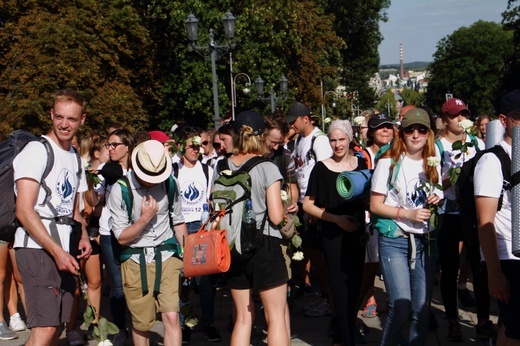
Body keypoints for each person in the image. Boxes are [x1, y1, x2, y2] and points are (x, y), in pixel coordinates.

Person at [13, 89, 92, 345]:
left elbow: (75, 210)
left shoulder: (75, 158)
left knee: (57, 326)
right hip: (37, 248)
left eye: (71, 118)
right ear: (51, 115)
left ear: (82, 120)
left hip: (64, 247)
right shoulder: (36, 151)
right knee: (45, 328)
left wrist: (84, 236)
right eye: (59, 117)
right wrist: (56, 251)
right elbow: (24, 210)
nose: (64, 124)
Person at [370, 108, 443, 345]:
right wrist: (407, 213)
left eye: (421, 129)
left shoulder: (433, 161)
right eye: (410, 129)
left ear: (428, 133)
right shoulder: (388, 161)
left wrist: (437, 199)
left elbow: (438, 193)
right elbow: (375, 205)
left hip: (425, 240)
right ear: (401, 133)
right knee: (401, 306)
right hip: (396, 239)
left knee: (421, 310)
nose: (415, 135)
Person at [108, 139, 188, 346]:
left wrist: (187, 255)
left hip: (168, 256)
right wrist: (144, 218)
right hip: (136, 261)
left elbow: (178, 222)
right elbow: (121, 237)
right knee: (142, 323)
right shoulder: (120, 190)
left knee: (171, 316)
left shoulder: (170, 183)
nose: (152, 181)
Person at [222, 110, 288, 346]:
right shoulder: (266, 167)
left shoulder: (222, 166)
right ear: (260, 136)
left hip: (232, 247)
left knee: (242, 318)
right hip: (264, 245)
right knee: (276, 318)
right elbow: (276, 216)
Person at [303, 119, 368, 346]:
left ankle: (345, 331)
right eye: (333, 140)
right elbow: (308, 205)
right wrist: (336, 219)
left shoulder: (361, 165)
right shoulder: (322, 168)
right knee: (339, 287)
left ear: (350, 139)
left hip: (357, 234)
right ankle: (346, 336)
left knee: (355, 284)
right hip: (333, 235)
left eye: (342, 139)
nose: (338, 144)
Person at [435, 98, 485, 341]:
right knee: (449, 267)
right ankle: (453, 320)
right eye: (456, 115)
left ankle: (484, 321)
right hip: (448, 213)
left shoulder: (477, 143)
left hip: (473, 212)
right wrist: (453, 177)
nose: (461, 119)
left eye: (464, 114)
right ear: (445, 120)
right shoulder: (437, 146)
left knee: (479, 266)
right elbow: (432, 184)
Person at [475, 90, 520, 345]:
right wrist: (494, 273)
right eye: (518, 117)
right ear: (504, 120)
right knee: (515, 330)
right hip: (509, 258)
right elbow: (485, 221)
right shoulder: (492, 161)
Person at [172, 126, 221, 343]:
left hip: (201, 229)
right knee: (182, 281)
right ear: (181, 145)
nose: (196, 149)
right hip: (180, 227)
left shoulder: (207, 170)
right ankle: (185, 324)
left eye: (200, 144)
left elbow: (211, 200)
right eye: (192, 144)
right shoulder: (173, 170)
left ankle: (208, 323)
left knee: (204, 282)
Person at [286, 101, 332, 314]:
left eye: (293, 121)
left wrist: (318, 205)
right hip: (304, 202)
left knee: (319, 254)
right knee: (311, 252)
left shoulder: (319, 140)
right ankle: (322, 293)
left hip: (315, 203)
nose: (291, 126)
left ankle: (328, 297)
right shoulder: (299, 141)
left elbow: (325, 174)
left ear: (305, 118)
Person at [97, 128, 135, 345]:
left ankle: (139, 326)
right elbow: (95, 203)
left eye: (114, 145)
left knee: (136, 284)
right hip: (108, 232)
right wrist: (89, 182)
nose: (109, 148)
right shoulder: (106, 171)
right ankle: (120, 328)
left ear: (127, 147)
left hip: (133, 232)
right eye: (108, 145)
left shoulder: (140, 170)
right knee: (117, 286)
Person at [264, 111, 299, 339]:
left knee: (280, 288)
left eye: (280, 142)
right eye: (273, 141)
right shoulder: (253, 157)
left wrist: (293, 202)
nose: (277, 146)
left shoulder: (284, 156)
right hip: (256, 231)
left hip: (278, 229)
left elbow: (293, 186)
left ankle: (281, 335)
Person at [357, 113, 395, 323]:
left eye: (388, 127)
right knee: (371, 261)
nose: (385, 130)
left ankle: (392, 297)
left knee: (389, 259)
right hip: (368, 214)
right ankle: (369, 296)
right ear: (371, 132)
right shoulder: (361, 156)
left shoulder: (398, 152)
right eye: (380, 127)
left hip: (391, 215)